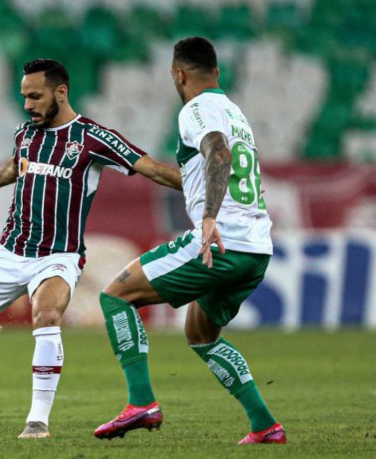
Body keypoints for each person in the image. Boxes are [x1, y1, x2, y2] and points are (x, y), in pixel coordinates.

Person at [0, 58, 182, 439]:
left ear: (60, 92)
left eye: (35, 96)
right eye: (23, 97)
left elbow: (151, 168)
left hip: (59, 255)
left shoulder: (93, 138)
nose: (27, 104)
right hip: (10, 250)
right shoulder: (25, 134)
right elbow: (15, 169)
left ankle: (37, 421)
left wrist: (212, 189)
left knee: (46, 315)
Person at [92, 37, 286, 444]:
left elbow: (217, 154)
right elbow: (217, 165)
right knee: (201, 335)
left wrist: (210, 217)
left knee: (115, 296)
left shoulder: (195, 110)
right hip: (256, 249)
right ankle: (264, 425)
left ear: (178, 75)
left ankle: (141, 402)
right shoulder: (236, 114)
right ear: (217, 72)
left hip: (221, 241)